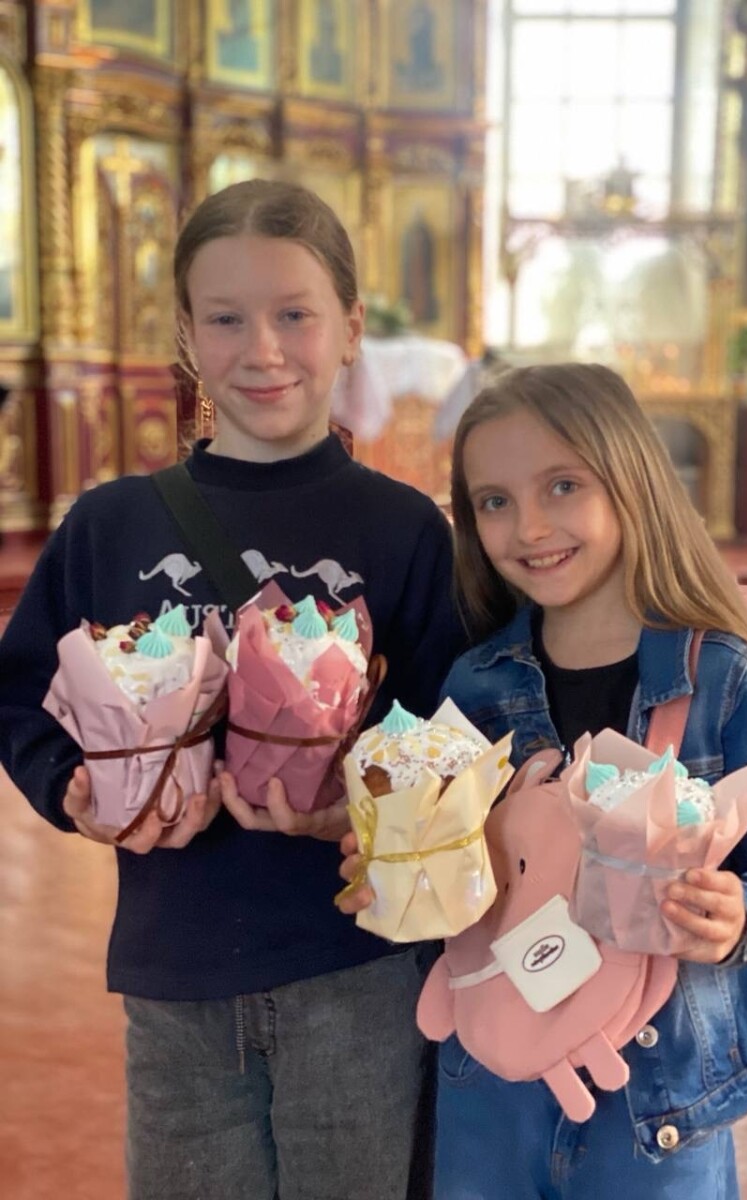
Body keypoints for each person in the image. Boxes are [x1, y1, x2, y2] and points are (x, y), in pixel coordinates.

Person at [0, 178, 464, 1200]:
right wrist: (70, 787)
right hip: (175, 976)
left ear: (350, 328)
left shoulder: (403, 531)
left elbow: (452, 729)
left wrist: (367, 809)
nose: (262, 349)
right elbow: (20, 691)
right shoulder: (112, 526)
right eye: (225, 319)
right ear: (185, 334)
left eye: (295, 314)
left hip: (358, 971)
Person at [339, 362, 747, 1199]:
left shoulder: (722, 679)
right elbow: (445, 868)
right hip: (491, 1094)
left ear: (630, 479)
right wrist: (398, 870)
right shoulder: (475, 686)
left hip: (657, 1113)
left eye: (563, 485)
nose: (529, 526)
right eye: (494, 501)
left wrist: (741, 917)